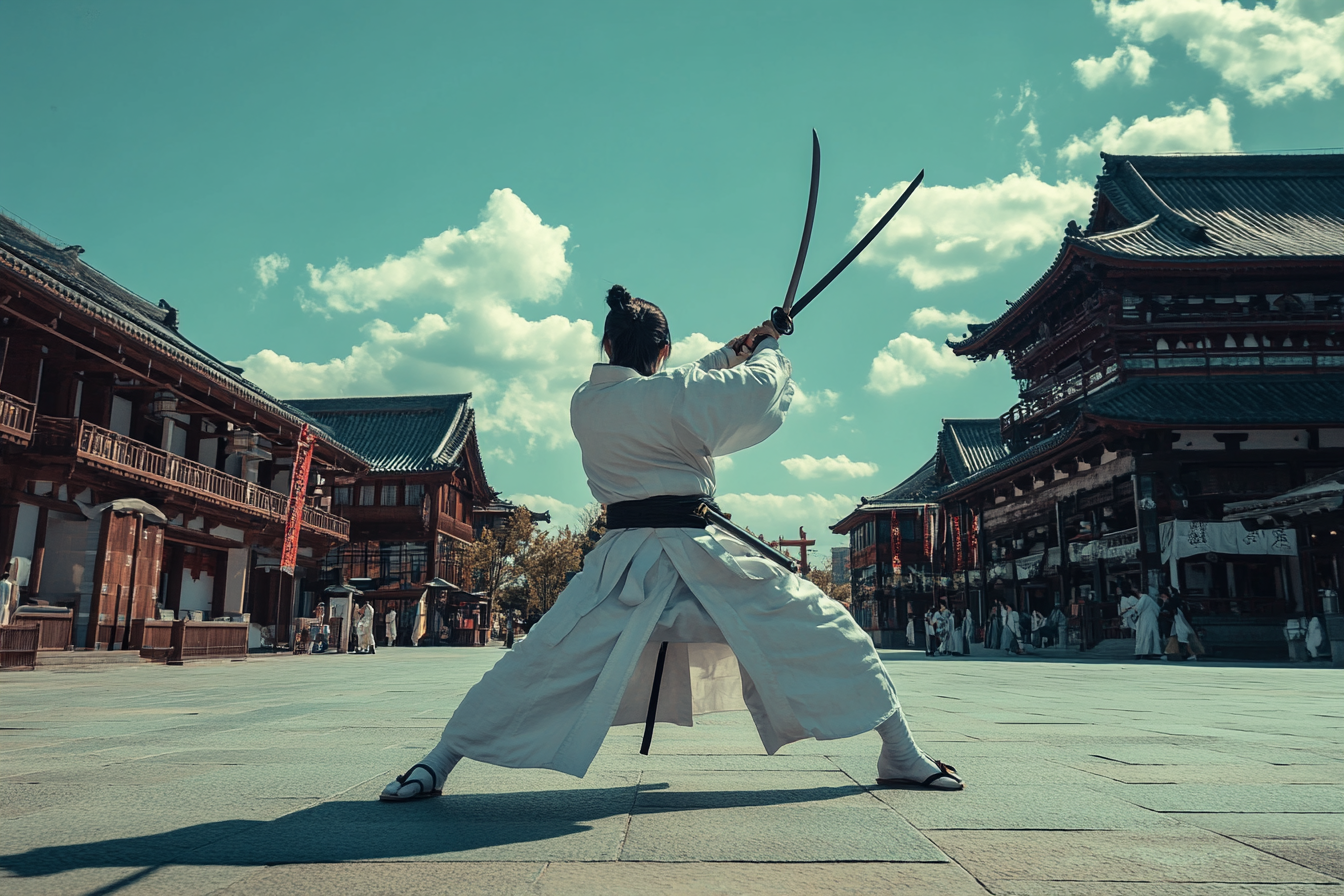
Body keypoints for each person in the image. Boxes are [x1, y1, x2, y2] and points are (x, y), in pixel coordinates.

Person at [380, 285, 963, 802]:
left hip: (624, 569)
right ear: (662, 351)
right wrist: (769, 350)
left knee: (542, 657)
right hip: (695, 560)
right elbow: (745, 391)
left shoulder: (591, 403)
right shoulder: (669, 396)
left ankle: (440, 760)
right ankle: (900, 753)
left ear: (607, 344)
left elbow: (679, 389)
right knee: (829, 629)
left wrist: (740, 345)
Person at [1161, 589, 1203, 662]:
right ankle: (1168, 653)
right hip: (1178, 625)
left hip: (1181, 626)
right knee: (1174, 639)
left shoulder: (1177, 611)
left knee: (1184, 640)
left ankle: (1192, 654)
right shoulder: (1180, 608)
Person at [1132, 589, 1163, 658]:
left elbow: (1138, 608)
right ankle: (1153, 651)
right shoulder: (1148, 599)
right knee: (1151, 635)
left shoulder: (1144, 597)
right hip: (1150, 619)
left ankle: (1145, 651)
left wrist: (1133, 609)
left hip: (1145, 620)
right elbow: (1157, 609)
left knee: (1145, 635)